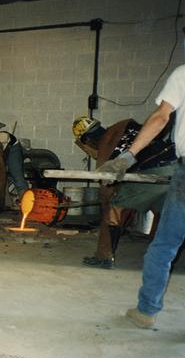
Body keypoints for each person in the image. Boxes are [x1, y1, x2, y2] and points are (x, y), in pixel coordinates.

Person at [96, 65, 185, 328]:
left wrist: (127, 156)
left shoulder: (183, 73)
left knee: (165, 245)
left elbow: (161, 117)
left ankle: (146, 311)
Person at [73, 115, 176, 269]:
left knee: (114, 207)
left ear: (87, 140)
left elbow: (106, 191)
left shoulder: (106, 145)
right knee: (164, 210)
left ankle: (104, 257)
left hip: (156, 171)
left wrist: (108, 202)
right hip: (177, 165)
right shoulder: (126, 128)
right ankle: (159, 255)